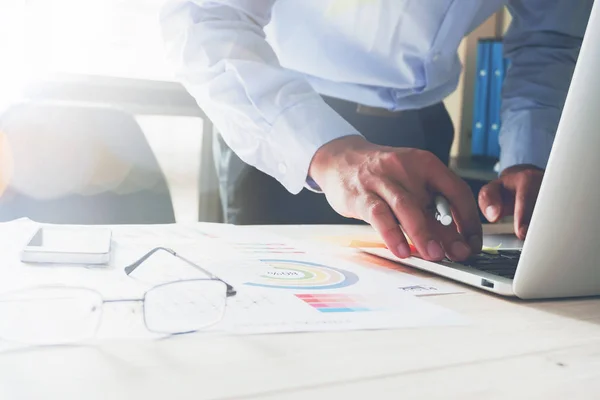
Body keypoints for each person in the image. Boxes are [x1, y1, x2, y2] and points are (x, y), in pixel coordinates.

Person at [160, 0, 593, 262]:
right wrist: (328, 153)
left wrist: (528, 154)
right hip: (290, 136)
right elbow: (204, 17)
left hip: (422, 137)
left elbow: (548, 38)